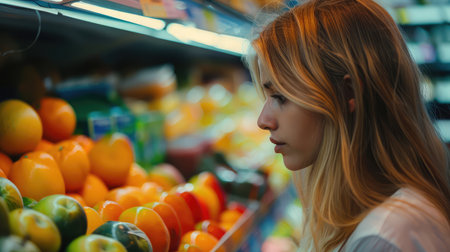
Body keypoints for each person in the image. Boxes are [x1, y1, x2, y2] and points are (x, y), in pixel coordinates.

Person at [245, 0, 450, 251]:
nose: (263, 121)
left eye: (280, 97)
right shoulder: (373, 215)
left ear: (347, 93)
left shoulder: (384, 238)